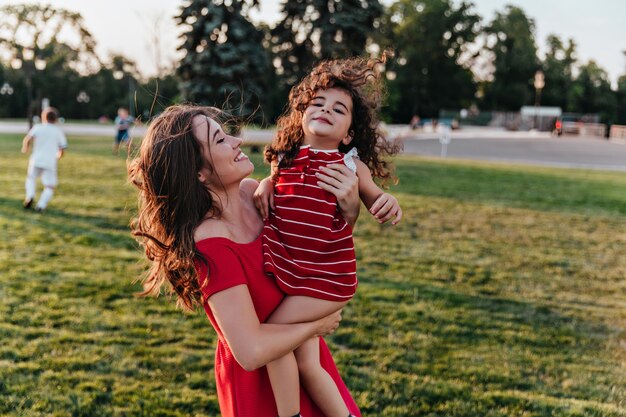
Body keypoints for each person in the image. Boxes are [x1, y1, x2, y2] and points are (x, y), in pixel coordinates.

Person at [128, 105, 363, 417]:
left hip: (309, 367)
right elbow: (250, 351)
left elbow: (314, 255)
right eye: (220, 140)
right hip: (262, 391)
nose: (236, 141)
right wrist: (316, 325)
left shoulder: (257, 195)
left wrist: (350, 214)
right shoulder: (211, 243)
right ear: (198, 172)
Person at [253, 56, 402, 417]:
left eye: (339, 109)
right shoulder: (283, 160)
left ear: (349, 133)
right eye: (317, 104)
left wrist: (388, 203)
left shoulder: (351, 166)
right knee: (307, 363)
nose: (326, 110)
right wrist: (264, 182)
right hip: (290, 275)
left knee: (272, 338)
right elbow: (276, 188)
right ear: (302, 113)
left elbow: (374, 198)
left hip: (325, 281)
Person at [22, 107, 68, 212]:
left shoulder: (38, 127)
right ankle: (41, 205)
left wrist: (25, 148)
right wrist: (59, 155)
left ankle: (30, 196)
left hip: (36, 159)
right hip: (49, 161)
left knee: (31, 178)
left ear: (43, 117)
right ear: (56, 119)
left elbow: (28, 138)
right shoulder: (58, 131)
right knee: (50, 186)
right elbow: (62, 147)